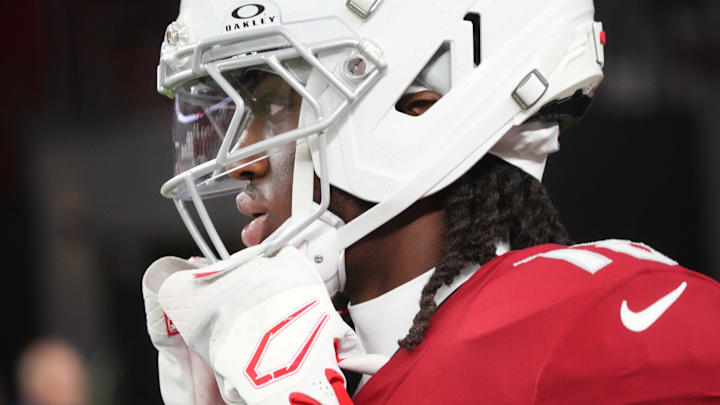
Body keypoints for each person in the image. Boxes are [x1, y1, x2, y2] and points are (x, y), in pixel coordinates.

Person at [143, 0, 720, 403]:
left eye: (274, 105)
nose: (241, 158)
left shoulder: (575, 327)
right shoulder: (329, 361)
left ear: (418, 103)